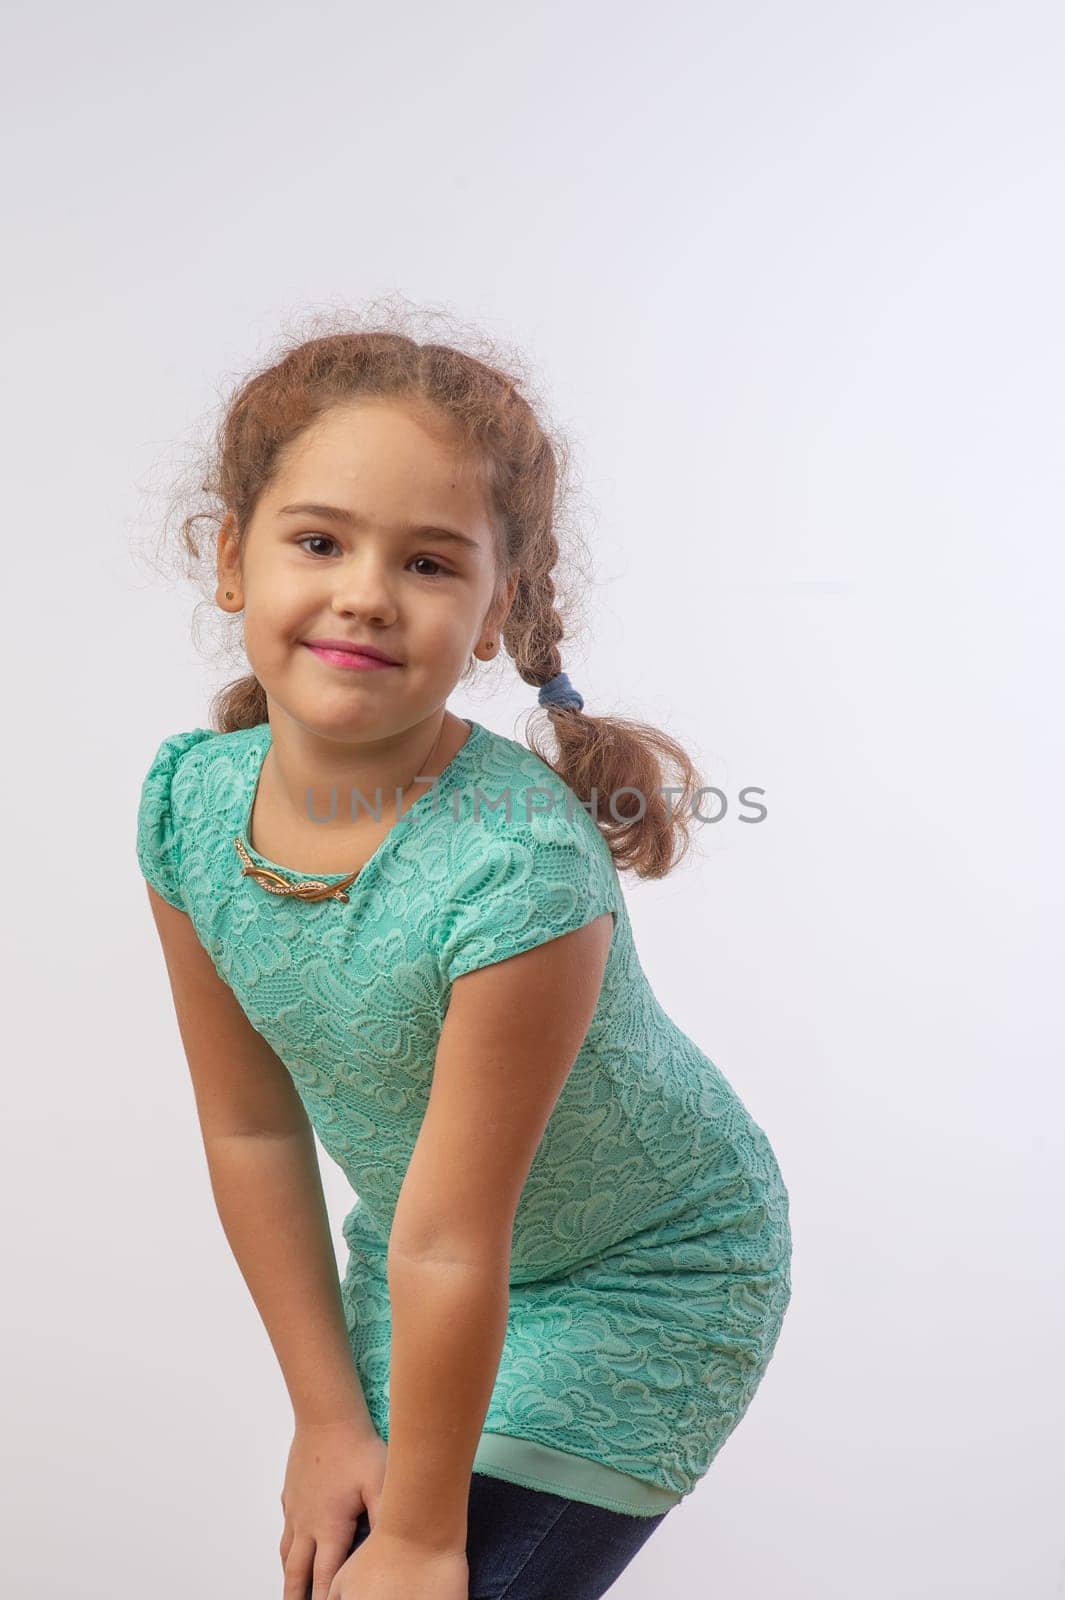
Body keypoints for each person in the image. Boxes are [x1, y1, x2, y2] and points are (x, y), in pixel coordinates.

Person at [135, 319, 793, 1600]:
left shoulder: (520, 871)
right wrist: (327, 1419)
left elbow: (456, 1233)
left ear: (499, 611)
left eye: (430, 561)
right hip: (422, 1267)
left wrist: (430, 1532)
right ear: (231, 557)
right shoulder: (186, 809)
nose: (368, 591)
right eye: (319, 540)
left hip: (639, 1275)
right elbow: (252, 1131)